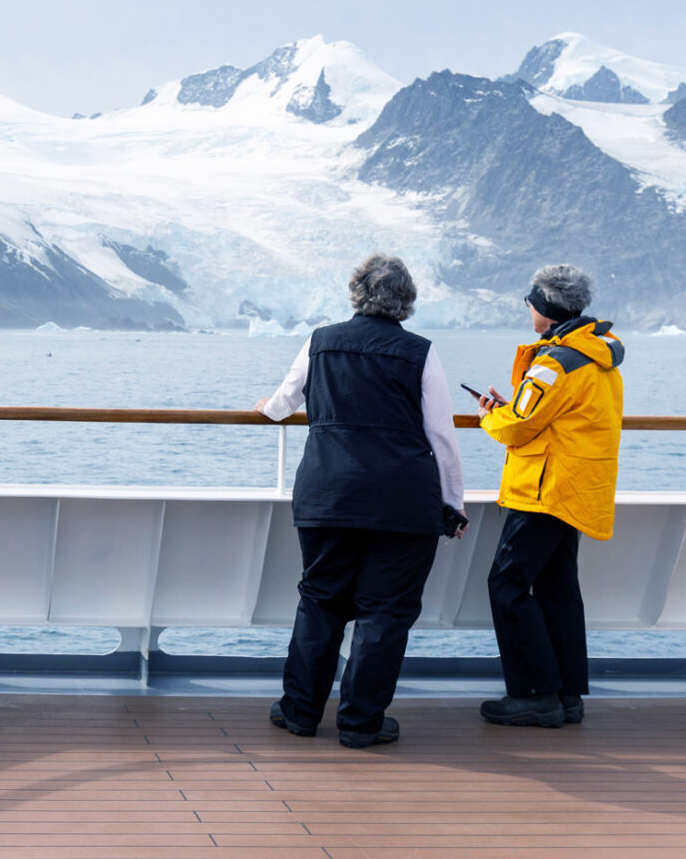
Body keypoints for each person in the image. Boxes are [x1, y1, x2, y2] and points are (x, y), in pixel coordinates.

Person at [257, 254, 468, 750]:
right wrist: (452, 501)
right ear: (406, 301)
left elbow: (282, 404)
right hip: (402, 501)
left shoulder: (321, 340)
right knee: (385, 611)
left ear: (356, 294)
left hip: (328, 493)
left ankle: (300, 712)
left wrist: (266, 411)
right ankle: (360, 722)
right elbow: (441, 434)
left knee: (321, 600)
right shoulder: (420, 351)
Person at [473, 264, 624, 728]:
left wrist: (489, 416)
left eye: (531, 301)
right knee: (558, 589)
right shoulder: (597, 358)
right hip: (575, 486)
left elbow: (521, 424)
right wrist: (516, 405)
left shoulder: (556, 361)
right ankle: (567, 695)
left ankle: (536, 695)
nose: (528, 308)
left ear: (547, 308)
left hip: (544, 488)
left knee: (507, 584)